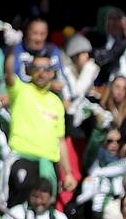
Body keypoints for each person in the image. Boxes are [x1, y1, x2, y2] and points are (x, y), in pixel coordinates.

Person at [5, 51, 74, 207]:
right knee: (17, 208)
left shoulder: (56, 102)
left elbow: (60, 140)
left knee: (46, 211)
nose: (42, 73)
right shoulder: (21, 90)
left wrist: (68, 173)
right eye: (37, 68)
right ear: (30, 71)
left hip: (48, 164)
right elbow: (8, 74)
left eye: (47, 69)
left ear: (53, 72)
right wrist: (11, 50)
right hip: (23, 159)